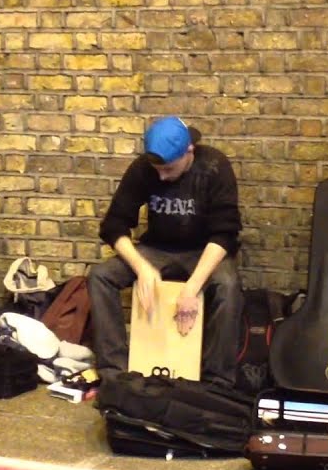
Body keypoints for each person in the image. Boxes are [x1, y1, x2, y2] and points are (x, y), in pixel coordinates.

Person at [87, 116, 244, 388]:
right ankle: (115, 376)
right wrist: (142, 267)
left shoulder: (215, 166)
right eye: (156, 168)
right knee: (100, 276)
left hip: (203, 251)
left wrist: (191, 289)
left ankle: (216, 383)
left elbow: (225, 235)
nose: (161, 176)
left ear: (189, 152)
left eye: (169, 169)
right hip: (156, 248)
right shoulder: (143, 169)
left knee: (228, 285)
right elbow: (114, 225)